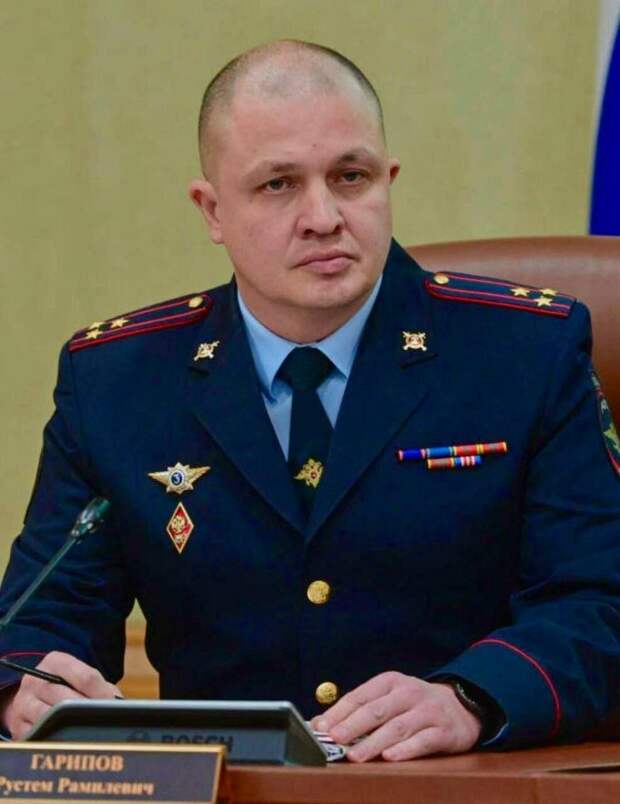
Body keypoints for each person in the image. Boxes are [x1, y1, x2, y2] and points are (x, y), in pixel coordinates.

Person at [0, 40, 619, 762]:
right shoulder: (117, 382)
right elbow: (41, 618)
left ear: (388, 180)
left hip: (457, 781)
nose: (323, 216)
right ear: (212, 210)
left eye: (351, 177)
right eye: (278, 185)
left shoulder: (524, 353)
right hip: (227, 789)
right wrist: (24, 690)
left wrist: (473, 697)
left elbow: (600, 602)